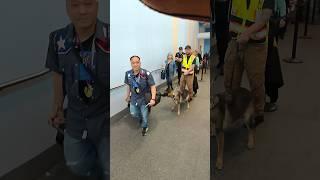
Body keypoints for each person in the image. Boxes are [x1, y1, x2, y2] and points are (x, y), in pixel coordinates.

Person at [45, 0, 109, 178]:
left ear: (97, 5)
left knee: (109, 168)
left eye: (88, 4)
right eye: (75, 5)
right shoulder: (57, 39)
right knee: (76, 165)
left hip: (104, 118)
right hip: (76, 119)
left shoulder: (112, 36)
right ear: (67, 6)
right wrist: (57, 106)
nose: (82, 11)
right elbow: (58, 74)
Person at [224, 0, 275, 146]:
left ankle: (258, 114)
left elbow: (264, 17)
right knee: (230, 79)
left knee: (256, 82)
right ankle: (233, 112)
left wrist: (247, 33)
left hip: (256, 46)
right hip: (235, 41)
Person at [125, 56, 156, 136]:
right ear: (131, 64)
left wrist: (153, 99)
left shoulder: (146, 73)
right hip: (134, 98)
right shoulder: (128, 74)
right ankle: (141, 117)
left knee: (145, 116)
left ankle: (145, 127)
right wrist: (127, 95)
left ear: (140, 63)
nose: (135, 64)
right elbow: (128, 85)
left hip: (143, 98)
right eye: (133, 63)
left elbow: (153, 86)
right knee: (133, 113)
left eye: (137, 62)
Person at [265, 0, 286, 112]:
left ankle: (269, 97)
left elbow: (282, 18)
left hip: (269, 33)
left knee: (270, 67)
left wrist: (280, 19)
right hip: (262, 32)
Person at [214, 0, 231, 75]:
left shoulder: (230, 2)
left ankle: (224, 63)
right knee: (219, 42)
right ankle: (221, 61)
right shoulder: (215, 2)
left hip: (227, 24)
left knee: (225, 43)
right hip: (218, 23)